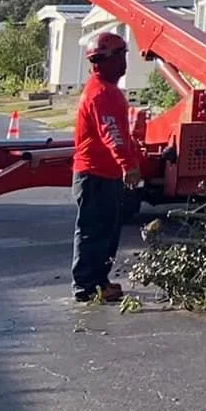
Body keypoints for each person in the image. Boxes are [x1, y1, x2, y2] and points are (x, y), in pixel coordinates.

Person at [72, 32, 142, 304]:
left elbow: (120, 132)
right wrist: (129, 165)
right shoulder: (102, 93)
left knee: (108, 231)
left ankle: (99, 280)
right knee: (94, 231)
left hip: (103, 174)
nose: (125, 62)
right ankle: (86, 286)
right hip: (95, 175)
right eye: (122, 56)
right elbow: (111, 132)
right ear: (109, 61)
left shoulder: (103, 89)